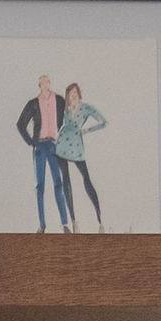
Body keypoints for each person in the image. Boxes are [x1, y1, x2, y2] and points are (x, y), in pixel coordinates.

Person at [14, 75, 71, 231]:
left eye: (47, 81)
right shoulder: (33, 104)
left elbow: (68, 116)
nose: (46, 84)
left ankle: (65, 223)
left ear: (49, 83)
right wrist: (31, 142)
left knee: (58, 183)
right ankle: (42, 225)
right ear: (39, 85)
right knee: (40, 186)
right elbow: (20, 124)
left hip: (53, 145)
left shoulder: (59, 100)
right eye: (43, 82)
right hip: (39, 146)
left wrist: (61, 134)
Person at [49, 80, 107, 229]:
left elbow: (103, 122)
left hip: (76, 147)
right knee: (66, 181)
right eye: (70, 94)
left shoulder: (86, 108)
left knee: (86, 179)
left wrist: (87, 130)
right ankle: (74, 220)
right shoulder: (66, 109)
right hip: (61, 146)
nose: (73, 96)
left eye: (75, 93)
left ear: (78, 93)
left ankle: (100, 219)